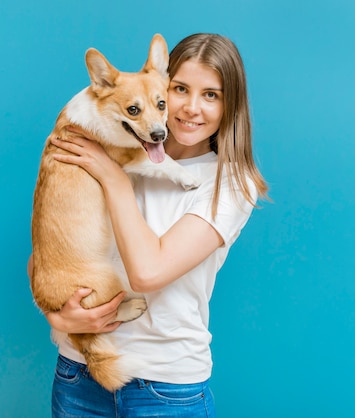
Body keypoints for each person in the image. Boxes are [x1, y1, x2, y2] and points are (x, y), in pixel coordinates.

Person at [29, 32, 269, 417]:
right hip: (79, 372)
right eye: (179, 89)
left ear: (230, 105)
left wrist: (111, 176)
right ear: (160, 84)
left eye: (211, 94)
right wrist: (59, 316)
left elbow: (147, 272)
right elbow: (50, 249)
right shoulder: (108, 146)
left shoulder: (229, 183)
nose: (191, 107)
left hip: (165, 388)